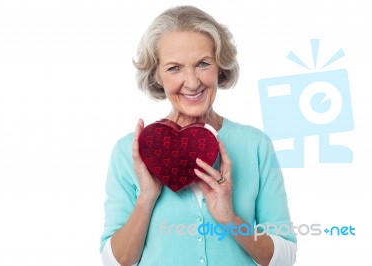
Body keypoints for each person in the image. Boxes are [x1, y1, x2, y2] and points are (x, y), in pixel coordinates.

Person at [100, 5, 297, 266]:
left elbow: (285, 258)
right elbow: (115, 262)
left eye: (203, 64)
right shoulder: (130, 152)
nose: (192, 82)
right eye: (174, 68)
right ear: (157, 75)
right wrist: (146, 197)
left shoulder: (255, 145)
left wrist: (230, 219)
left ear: (220, 66)